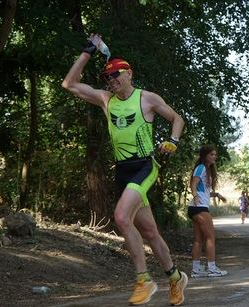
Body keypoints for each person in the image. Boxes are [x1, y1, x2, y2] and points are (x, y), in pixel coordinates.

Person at [62, 34, 187, 306]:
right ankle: (176, 277)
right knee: (151, 233)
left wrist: (172, 142)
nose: (111, 80)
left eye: (116, 75)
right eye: (108, 77)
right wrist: (88, 51)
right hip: (122, 171)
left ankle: (144, 280)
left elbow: (177, 119)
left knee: (120, 217)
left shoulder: (147, 99)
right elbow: (69, 84)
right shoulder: (107, 100)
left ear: (129, 73)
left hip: (145, 165)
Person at [188, 145, 228, 278]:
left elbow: (203, 191)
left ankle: (196, 270)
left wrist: (217, 195)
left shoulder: (207, 169)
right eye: (212, 154)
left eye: (215, 155)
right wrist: (194, 196)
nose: (214, 157)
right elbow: (193, 184)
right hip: (199, 207)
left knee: (198, 239)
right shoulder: (201, 168)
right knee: (211, 237)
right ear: (205, 155)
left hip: (197, 207)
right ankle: (212, 268)